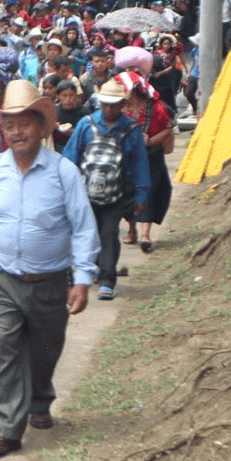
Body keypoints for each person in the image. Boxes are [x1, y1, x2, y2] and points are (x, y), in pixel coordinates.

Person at [0, 80, 99, 457]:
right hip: (2, 276)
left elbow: (84, 227)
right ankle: (7, 426)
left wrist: (83, 278)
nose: (17, 131)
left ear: (41, 128)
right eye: (10, 124)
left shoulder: (63, 172)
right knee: (3, 347)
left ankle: (40, 398)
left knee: (44, 350)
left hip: (51, 281)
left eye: (25, 123)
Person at [62, 80, 150, 301]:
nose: (109, 109)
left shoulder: (131, 130)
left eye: (114, 105)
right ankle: (84, 272)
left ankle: (107, 280)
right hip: (84, 192)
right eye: (105, 105)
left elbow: (140, 164)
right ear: (100, 103)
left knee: (109, 233)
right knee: (84, 233)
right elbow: (71, 158)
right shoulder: (86, 125)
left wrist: (141, 195)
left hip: (116, 193)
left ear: (122, 104)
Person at [117, 72, 173, 254]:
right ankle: (132, 229)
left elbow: (167, 129)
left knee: (149, 192)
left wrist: (150, 141)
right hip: (126, 159)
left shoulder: (156, 108)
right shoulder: (117, 108)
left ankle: (145, 235)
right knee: (126, 193)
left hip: (151, 157)